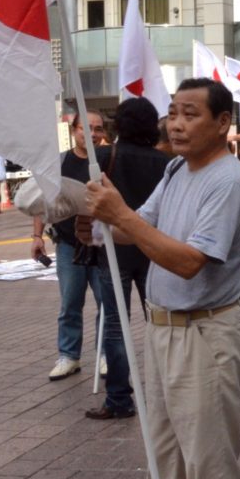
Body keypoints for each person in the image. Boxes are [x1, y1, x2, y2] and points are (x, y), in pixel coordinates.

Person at [86, 77, 240, 479]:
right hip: (162, 329)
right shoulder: (177, 170)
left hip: (204, 334)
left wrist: (119, 217)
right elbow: (140, 227)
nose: (176, 125)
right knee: (163, 460)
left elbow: (188, 263)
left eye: (190, 114)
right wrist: (100, 226)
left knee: (209, 467)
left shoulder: (229, 180)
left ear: (222, 123)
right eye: (173, 112)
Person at [83, 98, 170, 421]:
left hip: (114, 252)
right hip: (154, 250)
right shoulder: (165, 163)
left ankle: (119, 398)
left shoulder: (104, 158)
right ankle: (165, 392)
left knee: (116, 328)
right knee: (160, 324)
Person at [32, 111, 107, 381]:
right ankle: (69, 356)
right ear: (74, 130)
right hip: (67, 244)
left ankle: (106, 354)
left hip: (101, 243)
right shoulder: (60, 162)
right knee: (70, 304)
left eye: (98, 129)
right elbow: (44, 203)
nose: (93, 134)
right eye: (86, 128)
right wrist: (37, 237)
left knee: (106, 302)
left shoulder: (108, 160)